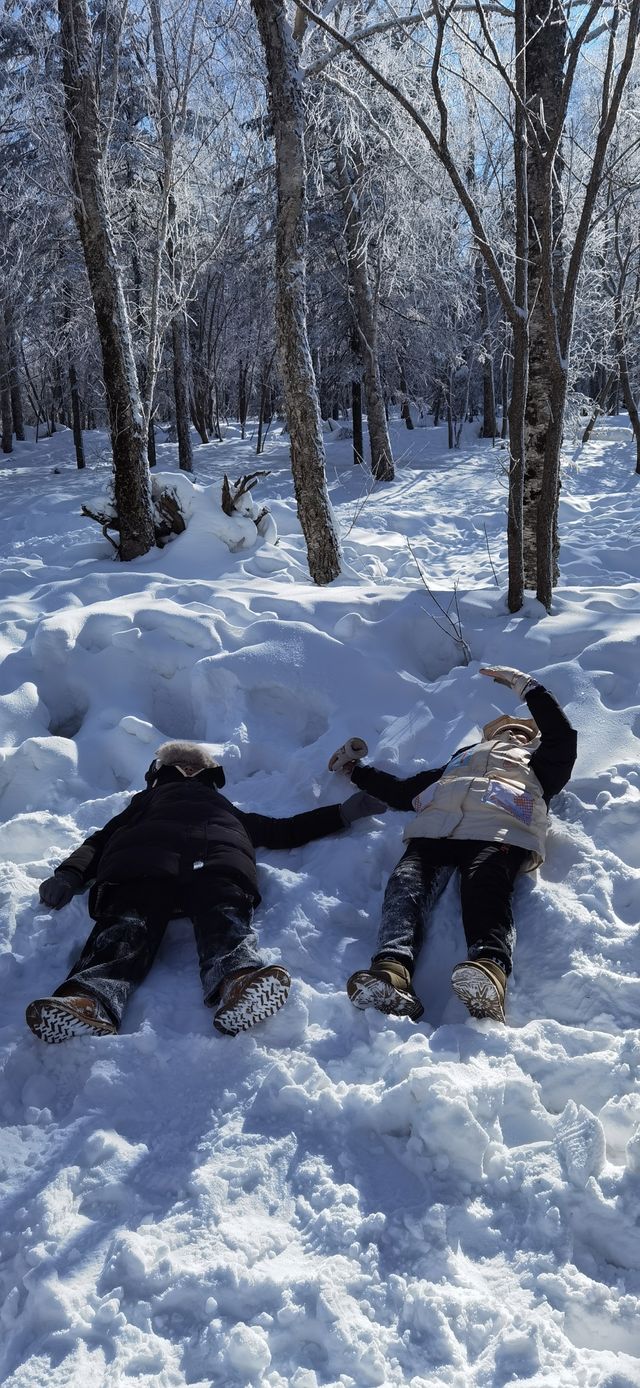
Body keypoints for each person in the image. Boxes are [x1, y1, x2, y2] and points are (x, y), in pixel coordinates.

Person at [27, 740, 385, 1043]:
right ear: (163, 773)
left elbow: (283, 831)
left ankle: (237, 981)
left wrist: (341, 813)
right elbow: (101, 841)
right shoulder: (144, 803)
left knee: (224, 918)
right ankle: (89, 998)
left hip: (213, 864)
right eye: (177, 764)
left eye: (192, 766)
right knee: (125, 926)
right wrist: (70, 873)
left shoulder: (222, 807)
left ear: (205, 774)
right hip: (144, 866)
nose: (185, 769)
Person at [328, 666, 577, 1024]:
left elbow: (562, 736)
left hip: (499, 831)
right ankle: (391, 970)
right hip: (436, 831)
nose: (512, 734)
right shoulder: (457, 763)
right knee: (406, 882)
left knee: (485, 882)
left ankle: (489, 968)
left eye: (520, 732)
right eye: (504, 729)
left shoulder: (539, 765)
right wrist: (356, 772)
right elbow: (402, 791)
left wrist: (528, 688)